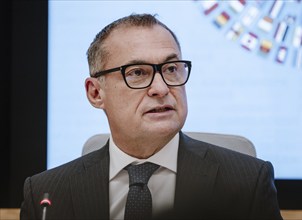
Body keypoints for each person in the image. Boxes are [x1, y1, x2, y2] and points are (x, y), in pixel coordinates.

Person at [20, 13, 283, 220]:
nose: (161, 88)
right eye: (137, 73)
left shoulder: (247, 182)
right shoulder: (47, 194)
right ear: (95, 93)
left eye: (171, 68)